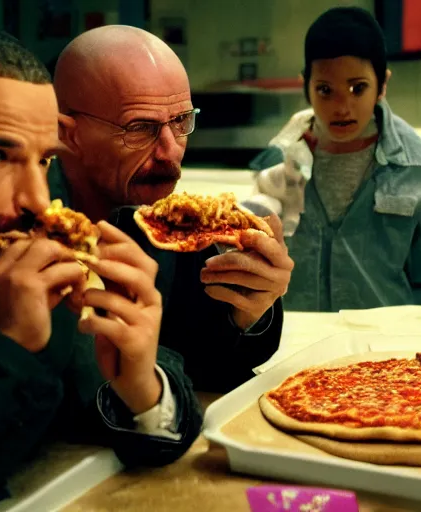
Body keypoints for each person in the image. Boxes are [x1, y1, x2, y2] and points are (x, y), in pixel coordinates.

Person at [0, 18, 201, 511]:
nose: (39, 201)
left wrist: (143, 384)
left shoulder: (7, 251)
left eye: (44, 161)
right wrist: (7, 352)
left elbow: (124, 393)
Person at [49, 26, 292, 392]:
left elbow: (213, 366)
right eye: (140, 128)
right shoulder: (22, 228)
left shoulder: (169, 224)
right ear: (68, 134)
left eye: (180, 122)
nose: (170, 152)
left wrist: (248, 312)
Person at [246, 7, 421, 312]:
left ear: (382, 85)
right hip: (296, 341)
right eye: (325, 90)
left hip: (388, 347)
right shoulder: (279, 161)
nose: (342, 106)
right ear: (306, 86)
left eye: (357, 88)